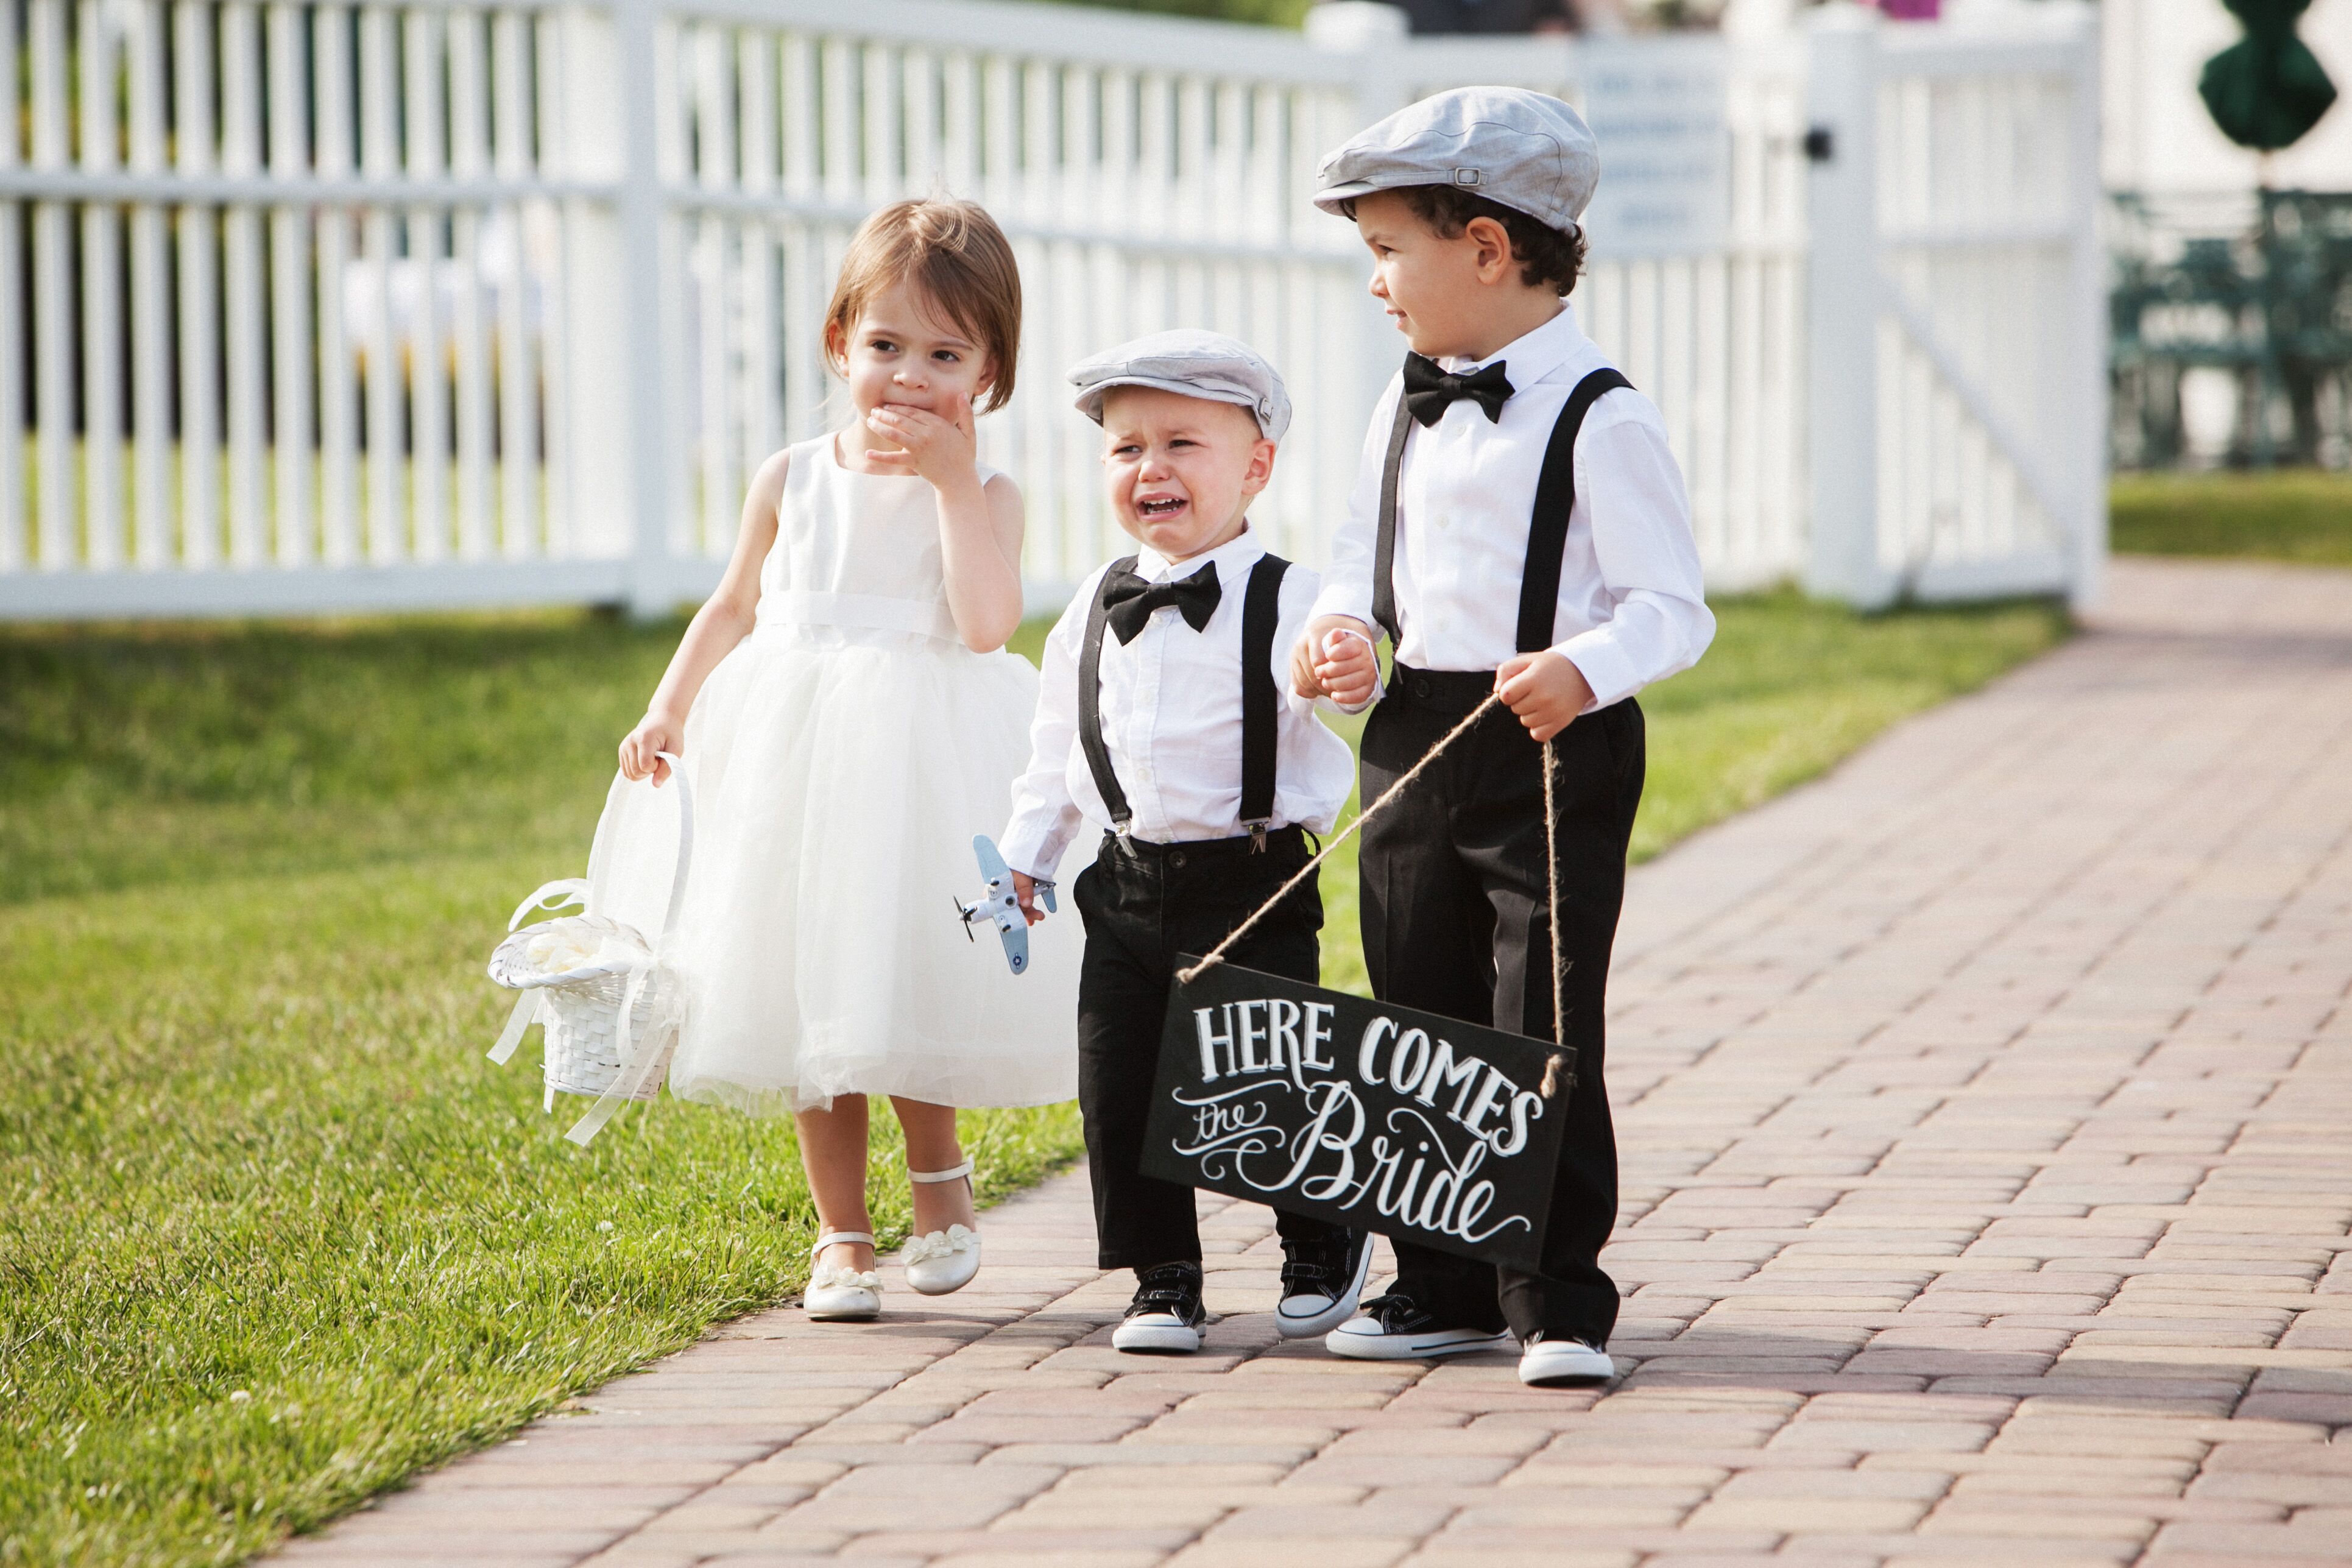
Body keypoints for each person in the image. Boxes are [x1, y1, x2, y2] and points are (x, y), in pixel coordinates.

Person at [1292, 88, 1715, 1387]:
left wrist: (1585, 668)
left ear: (1483, 248)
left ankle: (1558, 1297)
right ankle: (1440, 1283)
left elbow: (1672, 609)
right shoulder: (1396, 407)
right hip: (1415, 729)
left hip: (1550, 743)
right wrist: (1335, 636)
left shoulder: (1601, 416)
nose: (1374, 284)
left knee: (1538, 1016)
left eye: (1386, 251)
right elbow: (1348, 573)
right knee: (1414, 1002)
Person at [612, 198, 1078, 1324]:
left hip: (918, 762)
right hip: (796, 756)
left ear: (989, 376)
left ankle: (940, 1188)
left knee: (900, 967)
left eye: (943, 355)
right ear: (838, 344)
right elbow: (731, 605)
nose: (909, 378)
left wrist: (952, 487)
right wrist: (668, 707)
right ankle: (840, 1236)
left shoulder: (988, 493)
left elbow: (981, 625)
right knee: (808, 991)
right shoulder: (789, 476)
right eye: (884, 347)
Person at [998, 331, 1368, 1355]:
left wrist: (1348, 663)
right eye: (1125, 448)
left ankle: (1321, 1235)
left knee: (1268, 1068)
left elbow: (1354, 666)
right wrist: (1029, 852)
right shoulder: (1090, 601)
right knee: (1118, 1085)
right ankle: (1161, 1275)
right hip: (1121, 879)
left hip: (1249, 877)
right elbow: (1055, 743)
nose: (1150, 467)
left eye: (1182, 443)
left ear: (1256, 464)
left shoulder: (1293, 596)